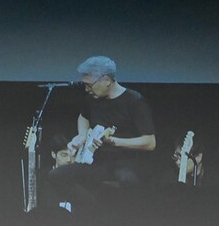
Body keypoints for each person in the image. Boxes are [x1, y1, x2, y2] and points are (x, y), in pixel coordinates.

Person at [45, 55, 156, 212]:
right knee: (56, 175)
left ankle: (133, 222)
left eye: (89, 85)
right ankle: (92, 209)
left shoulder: (135, 101)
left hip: (128, 163)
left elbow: (150, 142)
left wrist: (115, 142)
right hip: (100, 163)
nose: (86, 89)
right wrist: (82, 136)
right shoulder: (92, 99)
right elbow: (83, 117)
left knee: (126, 179)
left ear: (106, 80)